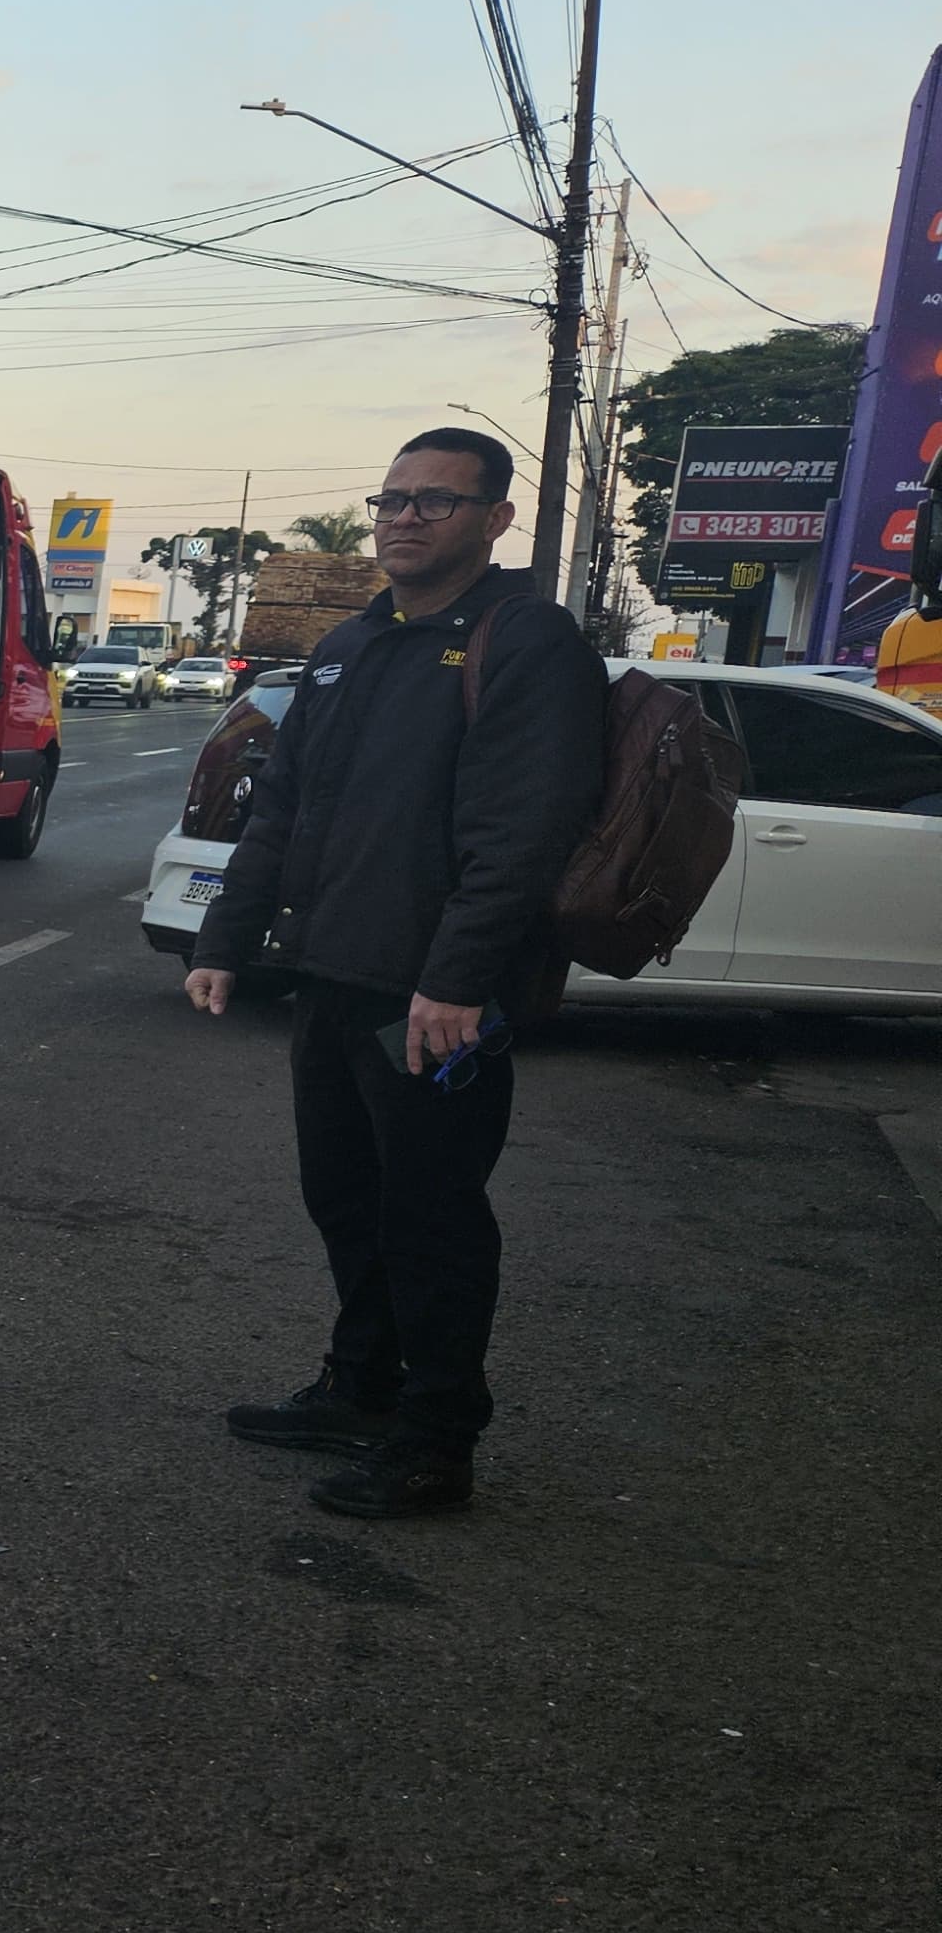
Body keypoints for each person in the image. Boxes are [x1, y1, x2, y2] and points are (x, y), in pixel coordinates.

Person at [185, 426, 605, 1520]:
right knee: (344, 1198)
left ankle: (434, 1441)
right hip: (331, 974)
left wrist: (459, 978)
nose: (404, 517)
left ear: (494, 520)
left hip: (433, 994)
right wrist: (225, 938)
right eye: (391, 498)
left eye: (435, 500)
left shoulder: (527, 640)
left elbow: (521, 828)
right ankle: (358, 1386)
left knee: (430, 1215)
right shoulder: (351, 645)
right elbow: (282, 806)